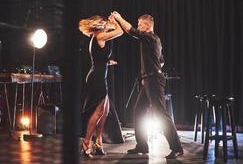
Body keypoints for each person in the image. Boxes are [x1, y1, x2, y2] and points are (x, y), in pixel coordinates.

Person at [111, 11, 183, 159]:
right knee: (138, 113)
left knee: (161, 114)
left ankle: (177, 147)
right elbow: (161, 61)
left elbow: (131, 31)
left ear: (147, 26)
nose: (138, 26)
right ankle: (142, 146)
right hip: (149, 80)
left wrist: (118, 18)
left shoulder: (150, 37)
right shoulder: (152, 41)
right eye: (138, 24)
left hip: (154, 81)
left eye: (140, 24)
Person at [78, 15, 123, 158]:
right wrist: (115, 21)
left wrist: (107, 62)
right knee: (98, 112)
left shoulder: (98, 37)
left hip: (98, 76)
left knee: (105, 111)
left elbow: (99, 58)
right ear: (100, 25)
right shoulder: (100, 36)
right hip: (96, 78)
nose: (106, 25)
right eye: (104, 23)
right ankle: (86, 142)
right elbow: (120, 31)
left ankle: (98, 141)